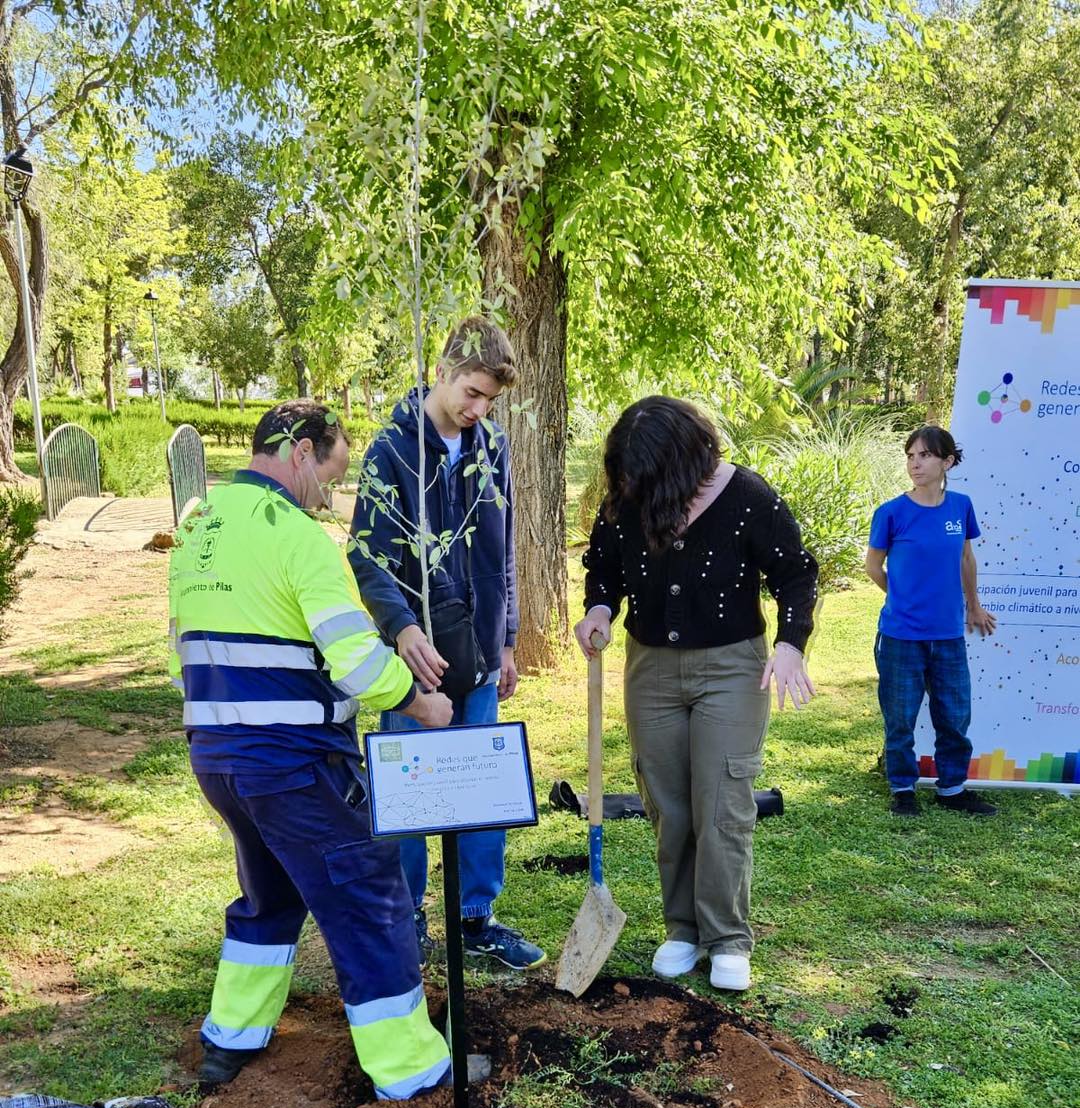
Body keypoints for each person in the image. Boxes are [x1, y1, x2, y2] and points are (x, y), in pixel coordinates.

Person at [168, 400, 456, 1097]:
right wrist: (421, 703)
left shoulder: (199, 527)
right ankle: (410, 1070)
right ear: (300, 450)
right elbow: (355, 659)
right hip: (296, 763)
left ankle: (231, 1038)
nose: (329, 496)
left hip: (218, 758)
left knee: (268, 894)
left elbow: (180, 651)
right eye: (330, 475)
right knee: (368, 898)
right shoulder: (296, 536)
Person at [574, 397, 818, 992]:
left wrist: (790, 643)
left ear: (680, 463)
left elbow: (795, 573)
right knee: (669, 804)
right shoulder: (628, 496)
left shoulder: (747, 496)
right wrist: (599, 609)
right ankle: (682, 929)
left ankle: (727, 937)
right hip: (651, 668)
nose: (633, 487)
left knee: (721, 802)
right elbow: (603, 566)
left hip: (731, 668)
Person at [349, 316, 545, 971]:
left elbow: (504, 548)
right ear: (442, 372)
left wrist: (508, 640)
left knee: (483, 788)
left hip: (481, 654)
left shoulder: (493, 448)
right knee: (406, 792)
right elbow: (367, 556)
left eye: (490, 398)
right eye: (471, 392)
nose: (478, 409)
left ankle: (476, 916)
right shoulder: (392, 451)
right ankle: (404, 916)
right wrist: (402, 629)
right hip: (417, 661)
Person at [865, 425, 997, 818]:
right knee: (900, 718)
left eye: (924, 455)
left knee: (954, 716)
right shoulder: (891, 513)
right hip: (900, 636)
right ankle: (903, 789)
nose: (915, 463)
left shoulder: (961, 507)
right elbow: (873, 567)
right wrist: (900, 597)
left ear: (947, 462)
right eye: (910, 456)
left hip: (949, 635)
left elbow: (965, 558)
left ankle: (952, 789)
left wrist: (974, 606)